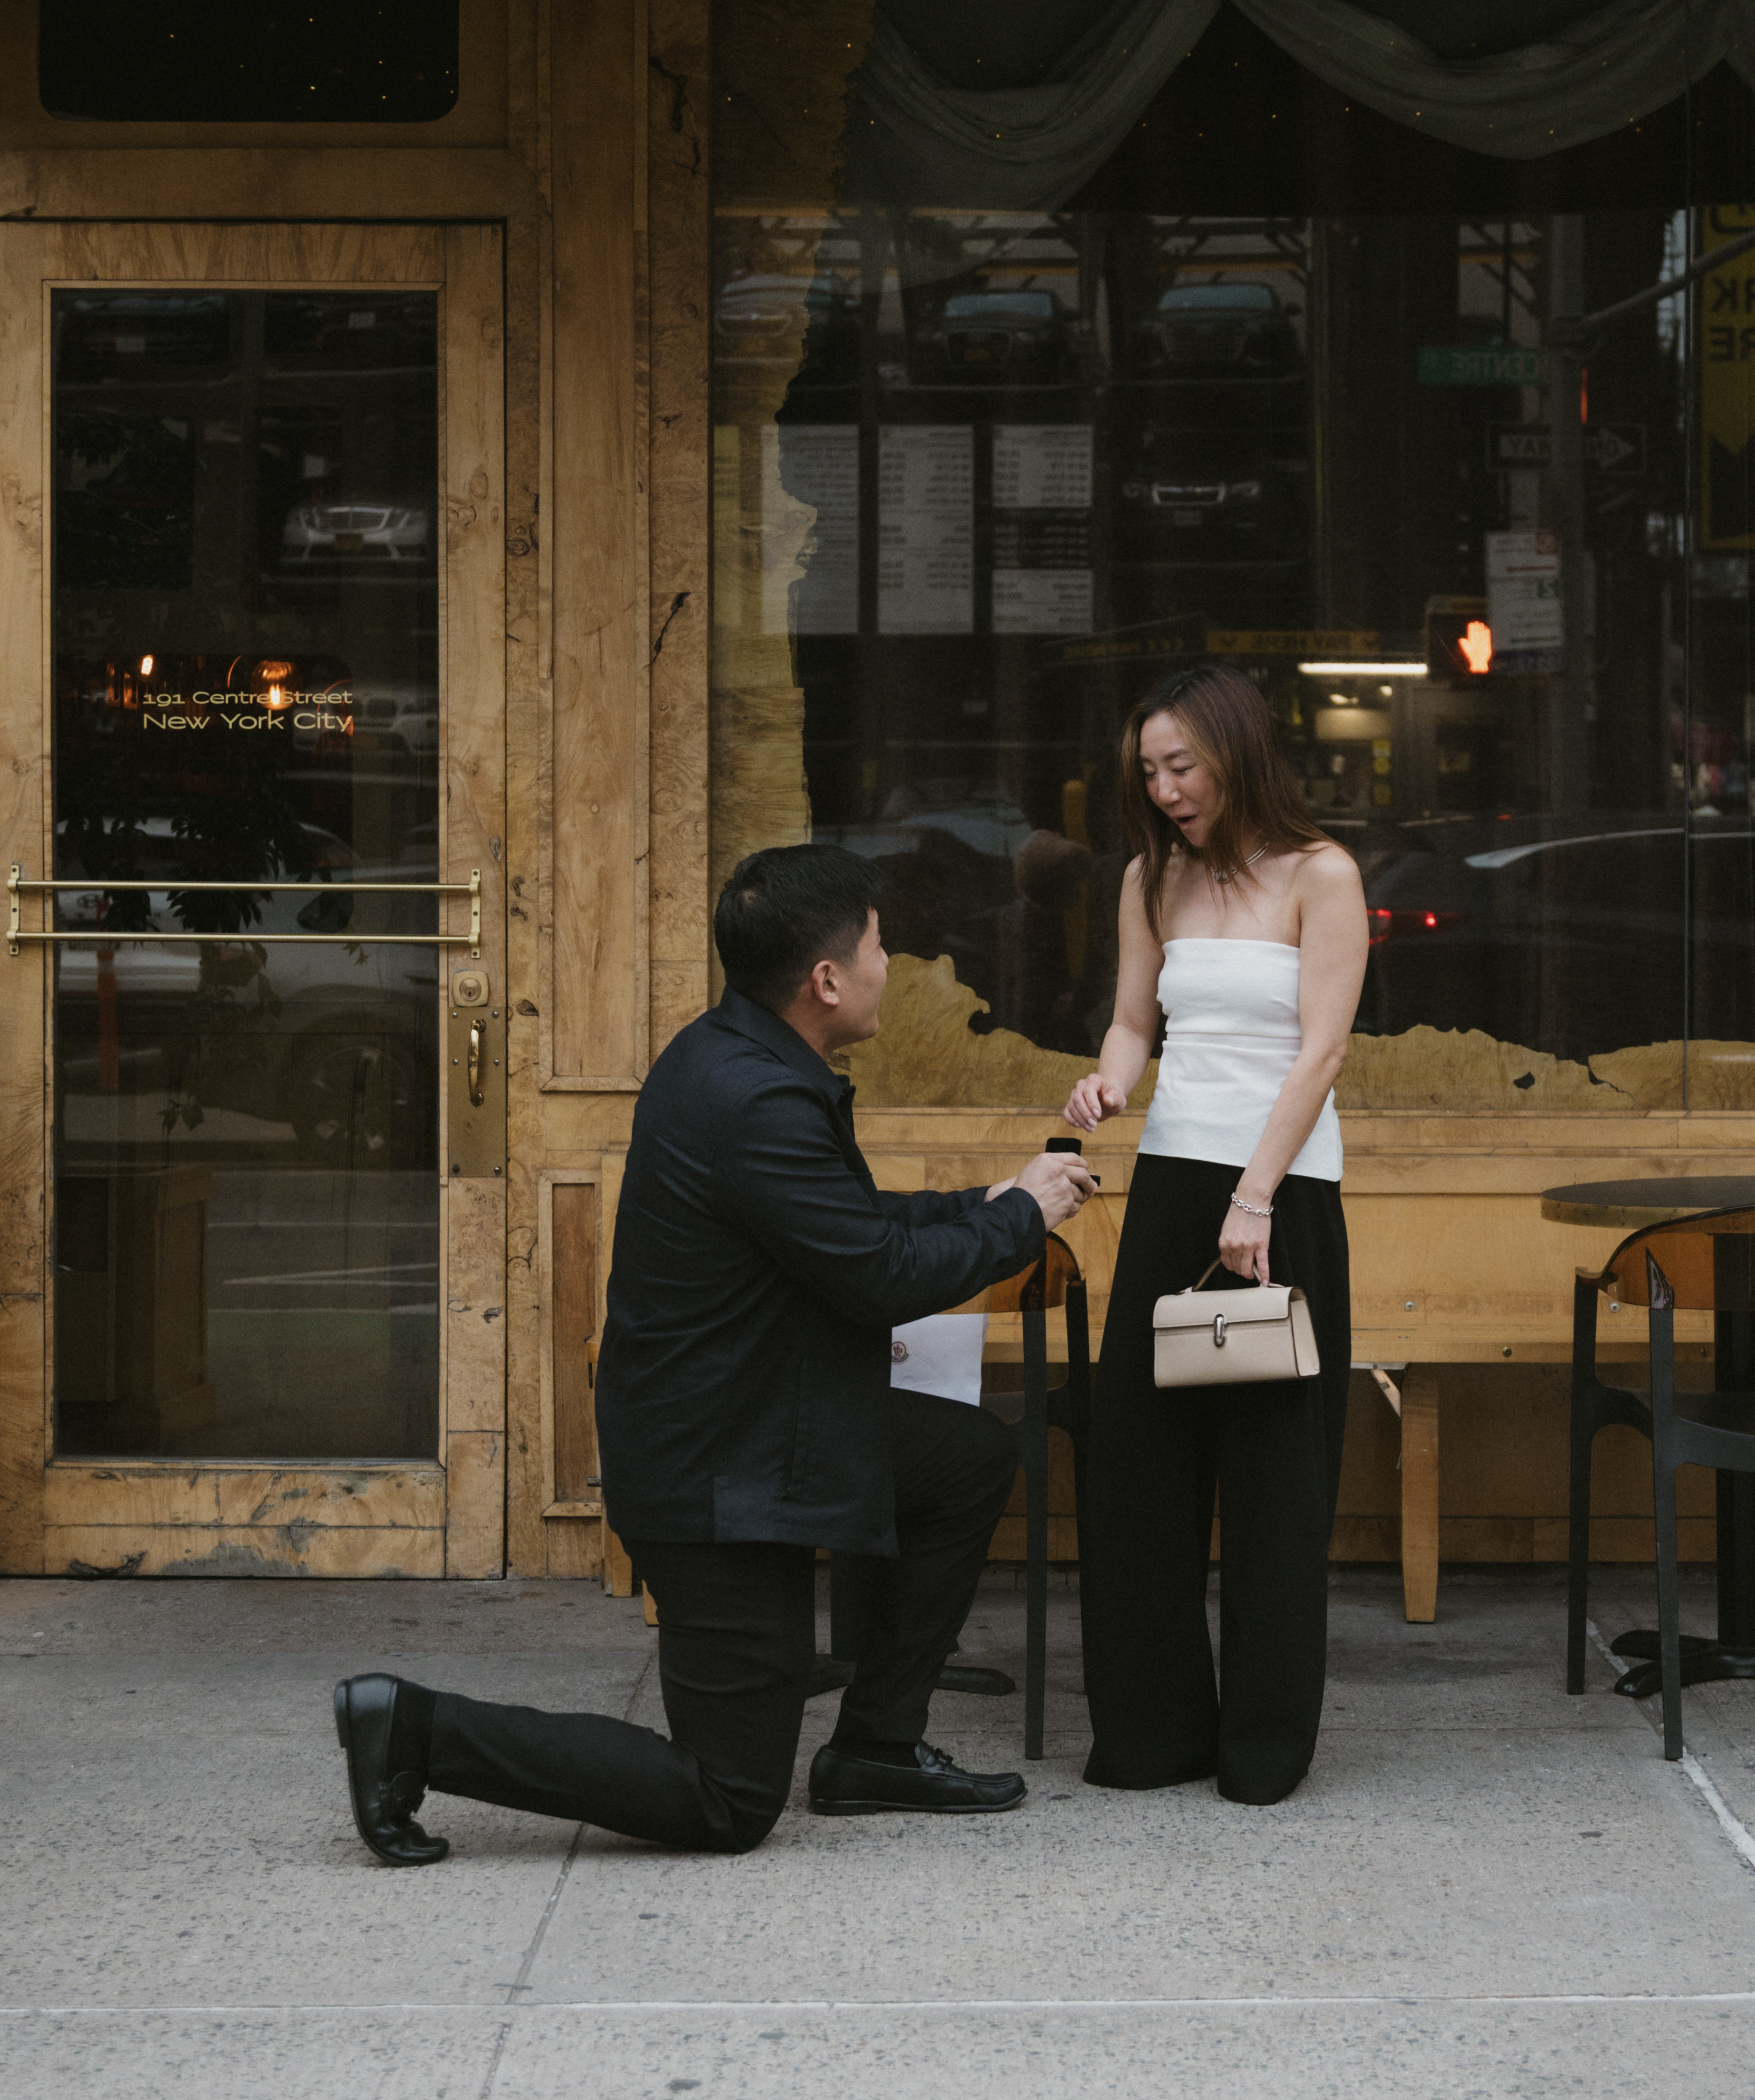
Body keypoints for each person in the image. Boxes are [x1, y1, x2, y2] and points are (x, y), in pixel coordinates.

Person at [333, 843, 1092, 1866]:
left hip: (763, 1423)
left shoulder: (744, 1057)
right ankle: (416, 1730)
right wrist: (1021, 1223)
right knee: (729, 1800)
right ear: (826, 980)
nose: (889, 963)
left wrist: (989, 1203)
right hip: (718, 1475)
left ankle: (875, 1747)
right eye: (880, 946)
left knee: (965, 1460)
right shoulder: (756, 1098)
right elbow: (873, 1277)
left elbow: (844, 1224)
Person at [1062, 665, 1367, 1806]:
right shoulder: (1154, 876)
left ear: (1235, 752)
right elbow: (1136, 1019)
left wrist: (1255, 1196)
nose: (1166, 787)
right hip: (1172, 1186)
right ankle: (1151, 1737)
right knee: (1139, 1467)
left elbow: (1321, 1053)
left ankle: (1262, 1748)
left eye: (1181, 764)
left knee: (1273, 1478)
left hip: (1281, 1192)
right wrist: (1105, 1084)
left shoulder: (1321, 875)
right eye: (1148, 771)